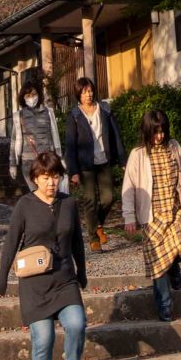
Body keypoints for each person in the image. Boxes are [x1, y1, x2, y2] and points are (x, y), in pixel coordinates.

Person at [0, 148, 89, 360]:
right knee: (44, 337)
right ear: (35, 178)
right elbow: (11, 242)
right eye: (45, 177)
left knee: (77, 323)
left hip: (64, 278)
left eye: (55, 176)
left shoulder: (68, 204)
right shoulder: (24, 205)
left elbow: (77, 241)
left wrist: (82, 272)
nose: (51, 182)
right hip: (35, 282)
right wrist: (2, 278)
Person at [121, 109, 181, 321]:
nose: (160, 136)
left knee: (178, 245)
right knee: (158, 265)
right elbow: (128, 187)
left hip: (174, 210)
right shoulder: (138, 154)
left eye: (162, 131)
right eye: (155, 132)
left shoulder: (174, 147)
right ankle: (165, 307)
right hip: (152, 216)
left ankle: (175, 268)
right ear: (147, 131)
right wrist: (129, 216)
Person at [62, 77, 123, 248]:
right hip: (85, 165)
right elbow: (70, 145)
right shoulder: (74, 116)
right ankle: (93, 238)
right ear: (78, 95)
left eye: (89, 91)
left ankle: (97, 225)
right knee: (90, 199)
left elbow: (115, 135)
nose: (88, 95)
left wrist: (122, 159)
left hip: (104, 160)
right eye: (83, 92)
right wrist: (73, 170)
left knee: (108, 197)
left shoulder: (104, 109)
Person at [9, 75, 61, 189]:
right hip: (28, 161)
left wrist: (60, 157)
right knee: (35, 193)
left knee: (48, 191)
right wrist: (12, 163)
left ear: (39, 95)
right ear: (23, 98)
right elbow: (14, 140)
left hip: (47, 159)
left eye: (33, 94)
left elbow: (55, 136)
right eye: (28, 95)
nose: (31, 98)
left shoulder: (48, 112)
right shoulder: (19, 115)